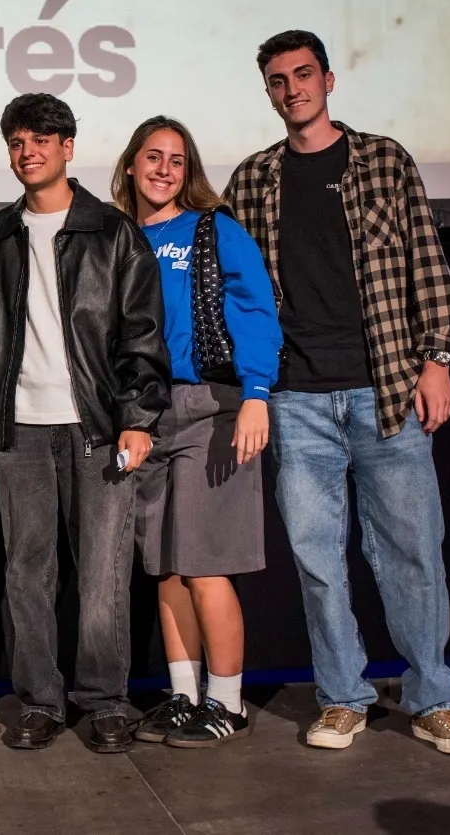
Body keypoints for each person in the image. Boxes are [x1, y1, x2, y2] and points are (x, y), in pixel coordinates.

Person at [223, 30, 450, 755]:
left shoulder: (384, 160)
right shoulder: (253, 178)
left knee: (412, 553)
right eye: (278, 80)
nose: (292, 89)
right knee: (317, 561)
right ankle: (342, 696)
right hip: (296, 399)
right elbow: (240, 293)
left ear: (329, 80)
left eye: (303, 74)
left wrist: (437, 358)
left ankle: (434, 699)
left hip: (386, 390)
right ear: (269, 91)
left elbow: (427, 261)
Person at [0, 92, 171, 753]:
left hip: (97, 427)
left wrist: (137, 416)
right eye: (17, 142)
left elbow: (142, 333)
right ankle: (39, 700)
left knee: (102, 572)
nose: (27, 152)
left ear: (67, 148)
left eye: (40, 140)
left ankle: (106, 700)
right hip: (20, 429)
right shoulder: (0, 233)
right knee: (26, 571)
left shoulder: (112, 232)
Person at [112, 117, 282, 748]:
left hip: (212, 407)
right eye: (153, 157)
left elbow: (256, 310)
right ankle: (183, 697)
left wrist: (257, 395)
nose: (163, 169)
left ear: (189, 172)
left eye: (176, 160)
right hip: (145, 415)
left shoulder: (215, 230)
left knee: (206, 566)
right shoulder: (117, 236)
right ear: (131, 164)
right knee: (167, 568)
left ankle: (227, 703)